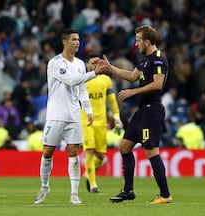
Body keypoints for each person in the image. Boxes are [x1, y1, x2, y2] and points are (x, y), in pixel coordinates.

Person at [34, 29, 109, 205]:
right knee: (47, 152)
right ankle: (45, 186)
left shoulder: (80, 64)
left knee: (73, 152)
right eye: (74, 39)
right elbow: (71, 81)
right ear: (65, 42)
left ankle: (74, 193)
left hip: (74, 115)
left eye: (79, 39)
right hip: (56, 115)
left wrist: (88, 110)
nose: (77, 42)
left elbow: (81, 88)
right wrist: (94, 73)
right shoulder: (54, 63)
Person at [104, 25, 172, 204]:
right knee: (125, 147)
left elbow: (158, 84)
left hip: (152, 110)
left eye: (139, 41)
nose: (136, 44)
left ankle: (165, 195)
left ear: (148, 42)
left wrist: (133, 92)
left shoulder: (158, 59)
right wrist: (111, 69)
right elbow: (132, 76)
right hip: (142, 111)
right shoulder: (144, 60)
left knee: (151, 151)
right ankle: (128, 190)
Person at [81, 53, 122, 193]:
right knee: (90, 151)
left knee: (101, 156)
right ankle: (93, 185)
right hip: (85, 120)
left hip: (101, 121)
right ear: (87, 65)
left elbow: (111, 100)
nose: (95, 65)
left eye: (98, 63)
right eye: (93, 63)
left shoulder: (106, 80)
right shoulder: (82, 80)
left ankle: (88, 174)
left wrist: (116, 117)